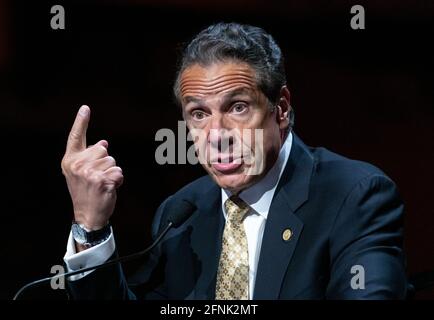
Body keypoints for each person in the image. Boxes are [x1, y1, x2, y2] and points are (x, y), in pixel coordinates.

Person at [61, 22, 407, 299]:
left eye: (237, 107)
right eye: (198, 114)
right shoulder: (181, 214)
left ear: (281, 108)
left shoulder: (353, 197)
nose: (217, 134)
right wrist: (92, 228)